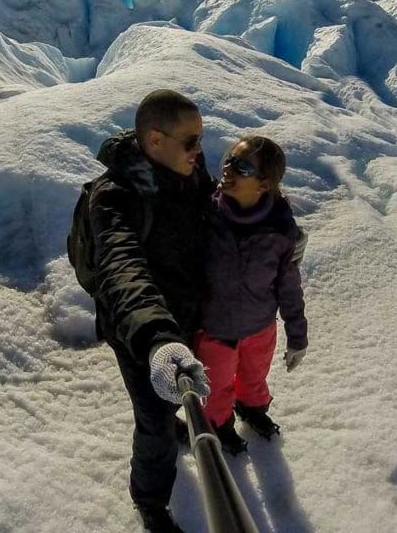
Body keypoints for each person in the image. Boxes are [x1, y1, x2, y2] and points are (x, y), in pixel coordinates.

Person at [88, 89, 216, 533]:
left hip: (186, 314)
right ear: (156, 140)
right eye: (191, 141)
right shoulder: (114, 197)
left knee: (173, 405)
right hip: (140, 332)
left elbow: (211, 214)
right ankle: (150, 502)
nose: (199, 151)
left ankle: (175, 419)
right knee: (156, 427)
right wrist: (159, 339)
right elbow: (124, 269)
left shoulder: (188, 170)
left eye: (201, 140)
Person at [193, 135, 308, 456]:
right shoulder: (206, 216)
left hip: (260, 327)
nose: (228, 168)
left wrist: (297, 335)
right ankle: (220, 425)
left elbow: (288, 284)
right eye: (229, 159)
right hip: (216, 330)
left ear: (264, 185)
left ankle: (252, 408)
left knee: (254, 377)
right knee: (215, 389)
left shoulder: (280, 229)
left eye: (242, 167)